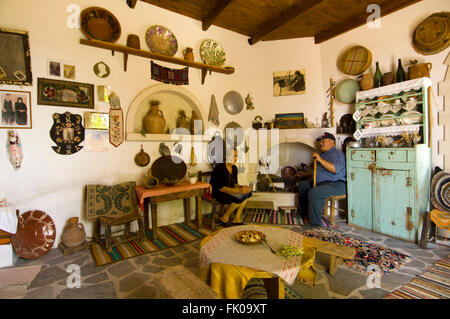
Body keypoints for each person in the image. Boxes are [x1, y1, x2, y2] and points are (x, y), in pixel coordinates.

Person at [297, 132, 346, 227]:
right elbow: (318, 170)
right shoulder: (323, 155)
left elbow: (334, 169)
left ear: (332, 142)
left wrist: (320, 159)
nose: (321, 143)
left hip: (336, 184)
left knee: (314, 192)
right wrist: (305, 173)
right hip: (322, 183)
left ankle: (315, 224)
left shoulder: (337, 154)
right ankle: (304, 214)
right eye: (320, 141)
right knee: (303, 185)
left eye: (324, 141)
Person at [209, 148, 252, 227]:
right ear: (226, 156)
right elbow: (222, 188)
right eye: (231, 155)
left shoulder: (234, 168)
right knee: (239, 197)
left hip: (229, 191)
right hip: (218, 193)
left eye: (235, 156)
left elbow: (234, 184)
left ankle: (236, 218)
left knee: (248, 194)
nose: (233, 158)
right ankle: (224, 218)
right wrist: (239, 191)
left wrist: (242, 187)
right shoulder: (220, 168)